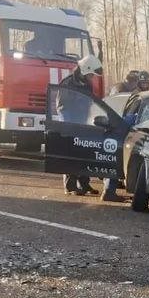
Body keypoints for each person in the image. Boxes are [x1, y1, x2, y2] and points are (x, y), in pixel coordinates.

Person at [58, 54, 120, 201]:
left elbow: (89, 103)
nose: (93, 78)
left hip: (83, 121)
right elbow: (62, 107)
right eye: (91, 75)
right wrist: (70, 127)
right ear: (85, 70)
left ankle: (84, 184)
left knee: (84, 154)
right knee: (71, 155)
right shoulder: (67, 83)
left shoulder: (86, 84)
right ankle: (71, 187)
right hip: (71, 124)